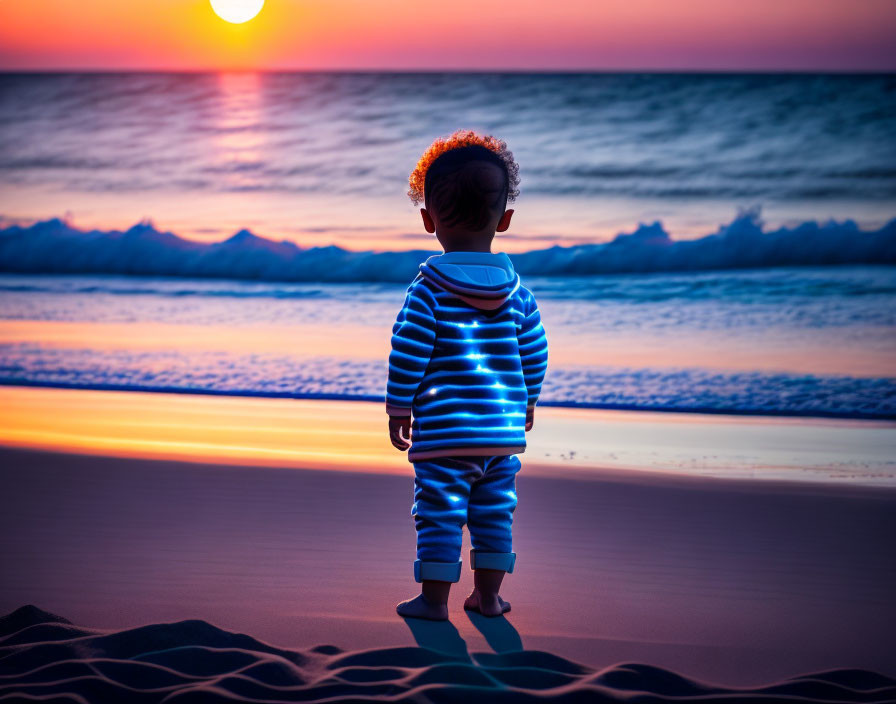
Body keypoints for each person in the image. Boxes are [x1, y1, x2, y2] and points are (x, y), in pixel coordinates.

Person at [386, 130, 549, 620]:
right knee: (495, 513)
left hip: (445, 432)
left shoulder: (429, 288)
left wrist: (399, 405)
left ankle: (434, 601)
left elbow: (408, 349)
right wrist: (528, 400)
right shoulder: (518, 291)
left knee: (438, 514)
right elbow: (535, 350)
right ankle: (489, 597)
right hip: (499, 431)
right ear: (505, 219)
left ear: (427, 219)